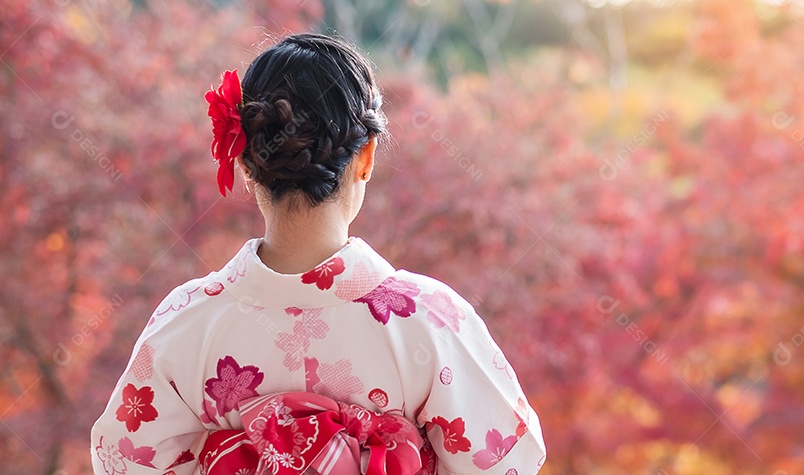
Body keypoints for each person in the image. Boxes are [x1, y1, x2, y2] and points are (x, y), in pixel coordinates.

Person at [90, 33, 545, 475]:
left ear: (246, 161)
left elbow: (123, 460)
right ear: (365, 157)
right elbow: (509, 460)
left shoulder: (187, 321)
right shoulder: (429, 322)